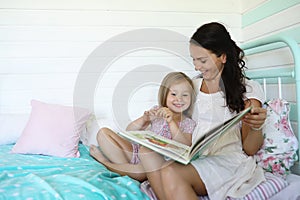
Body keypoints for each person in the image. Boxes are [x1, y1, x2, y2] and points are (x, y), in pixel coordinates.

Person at [137, 22, 267, 200]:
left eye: (203, 60)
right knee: (146, 153)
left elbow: (250, 148)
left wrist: (256, 127)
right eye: (194, 59)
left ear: (222, 56)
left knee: (169, 171)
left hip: (226, 160)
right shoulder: (194, 85)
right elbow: (181, 119)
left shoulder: (248, 89)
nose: (197, 66)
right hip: (193, 155)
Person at [89, 72, 197, 181]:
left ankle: (105, 163)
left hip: (155, 163)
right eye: (174, 94)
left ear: (191, 98)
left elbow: (185, 145)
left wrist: (171, 122)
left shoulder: (188, 122)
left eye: (185, 95)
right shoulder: (157, 111)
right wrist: (144, 120)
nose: (179, 99)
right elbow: (129, 131)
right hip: (137, 152)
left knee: (140, 172)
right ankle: (126, 169)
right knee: (103, 133)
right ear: (165, 95)